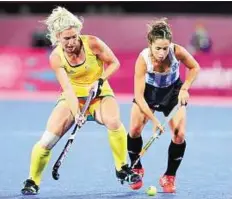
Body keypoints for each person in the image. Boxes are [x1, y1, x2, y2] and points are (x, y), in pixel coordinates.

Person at [21, 6, 141, 195]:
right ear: (57, 37)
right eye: (66, 38)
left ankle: (122, 168)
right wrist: (77, 113)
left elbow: (115, 63)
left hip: (99, 95)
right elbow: (67, 88)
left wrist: (100, 80)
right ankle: (32, 181)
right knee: (47, 140)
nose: (71, 42)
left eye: (74, 37)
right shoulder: (56, 57)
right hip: (73, 98)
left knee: (113, 121)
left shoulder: (93, 43)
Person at [127, 18, 200, 193]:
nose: (162, 53)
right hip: (148, 94)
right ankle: (136, 169)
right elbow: (139, 95)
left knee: (179, 135)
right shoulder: (143, 59)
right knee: (135, 129)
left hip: (173, 93)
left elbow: (194, 67)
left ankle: (169, 176)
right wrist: (154, 120)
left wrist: (185, 88)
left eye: (165, 48)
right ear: (150, 44)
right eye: (158, 48)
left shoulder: (177, 51)